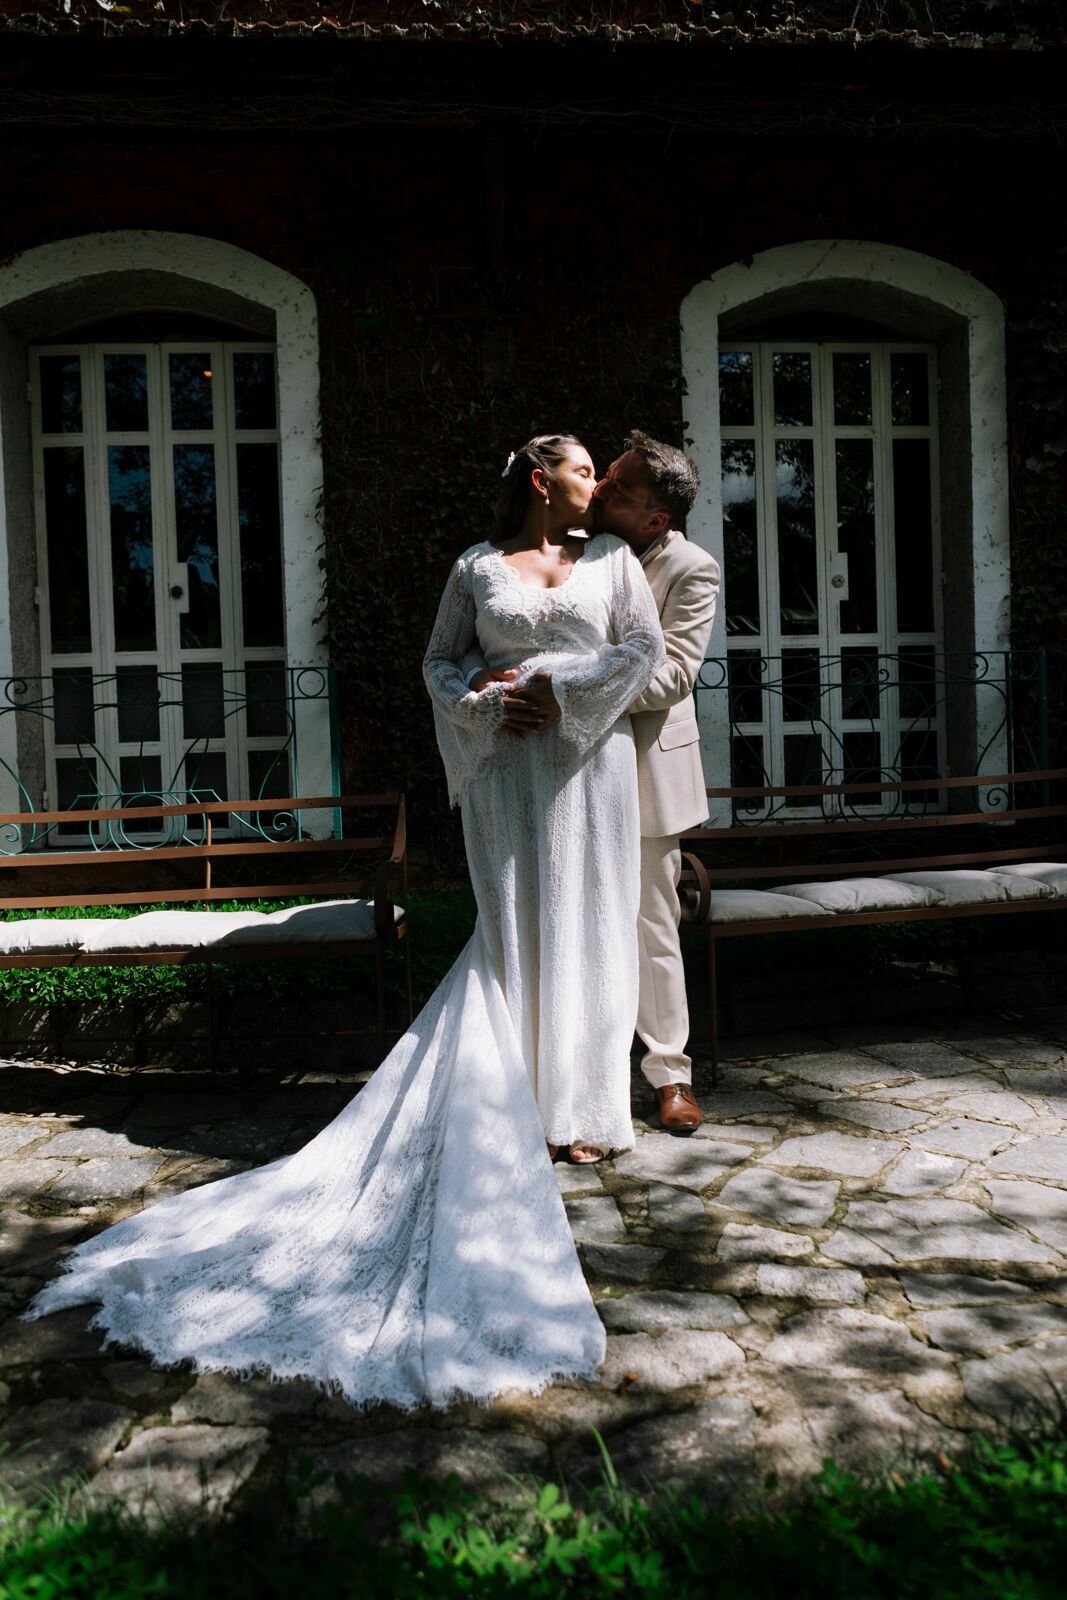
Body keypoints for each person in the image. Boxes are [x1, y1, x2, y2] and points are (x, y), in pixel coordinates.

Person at [23, 433, 664, 1412]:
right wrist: (491, 700)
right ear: (540, 479)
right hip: (506, 774)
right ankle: (521, 1102)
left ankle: (581, 1109)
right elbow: (438, 664)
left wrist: (556, 691)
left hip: (586, 769)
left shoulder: (615, 563)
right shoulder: (473, 568)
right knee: (513, 931)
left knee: (588, 926)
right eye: (582, 469)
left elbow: (640, 653)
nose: (596, 485)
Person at [467, 431, 719, 1135]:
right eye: (603, 476)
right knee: (565, 920)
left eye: (619, 487)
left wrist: (570, 688)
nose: (602, 489)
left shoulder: (689, 568)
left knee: (646, 922)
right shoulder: (568, 545)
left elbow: (670, 674)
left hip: (642, 765)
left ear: (654, 519)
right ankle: (568, 1080)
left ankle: (670, 1073)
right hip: (552, 767)